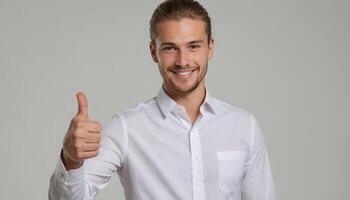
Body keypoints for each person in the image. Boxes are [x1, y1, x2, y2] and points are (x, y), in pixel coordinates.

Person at [49, 0, 277, 199]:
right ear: (153, 52)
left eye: (193, 46)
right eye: (170, 48)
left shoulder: (244, 126)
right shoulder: (126, 129)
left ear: (210, 48)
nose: (183, 61)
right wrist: (71, 161)